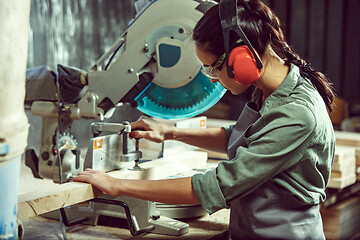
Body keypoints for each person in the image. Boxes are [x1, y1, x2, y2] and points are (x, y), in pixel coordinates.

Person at [72, 0, 335, 239]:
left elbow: (218, 185)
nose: (210, 77)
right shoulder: (274, 87)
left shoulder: (297, 114)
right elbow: (241, 137)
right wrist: (169, 132)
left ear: (240, 60)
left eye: (212, 67)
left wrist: (117, 185)